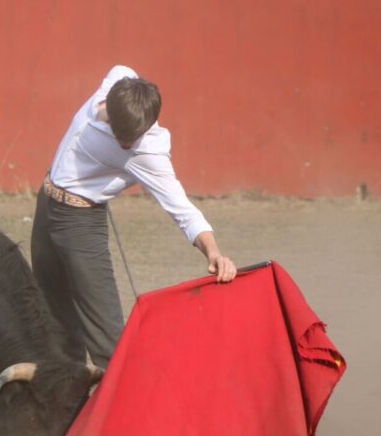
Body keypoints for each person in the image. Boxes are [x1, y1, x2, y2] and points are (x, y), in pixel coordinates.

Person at [31, 65, 236, 370]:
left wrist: (214, 251)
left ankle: (131, 412)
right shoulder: (117, 79)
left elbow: (181, 207)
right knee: (52, 317)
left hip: (81, 225)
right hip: (45, 207)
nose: (127, 143)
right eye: (122, 136)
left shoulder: (148, 153)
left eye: (134, 138)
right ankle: (65, 405)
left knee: (107, 339)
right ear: (110, 109)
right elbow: (121, 71)